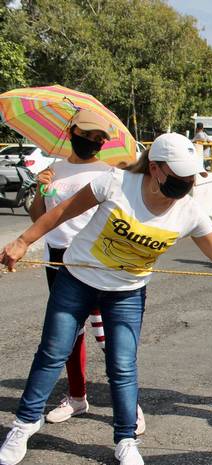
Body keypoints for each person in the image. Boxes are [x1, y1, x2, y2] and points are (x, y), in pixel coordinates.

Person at [0, 133, 212, 465]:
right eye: (180, 177)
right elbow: (61, 213)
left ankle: (125, 441)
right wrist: (21, 241)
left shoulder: (188, 211)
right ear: (154, 168)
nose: (187, 184)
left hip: (127, 293)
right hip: (77, 280)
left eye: (191, 178)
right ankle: (24, 424)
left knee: (122, 366)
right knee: (52, 353)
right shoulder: (115, 182)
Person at [27, 110, 146, 432]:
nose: (92, 142)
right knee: (68, 334)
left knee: (108, 336)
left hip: (93, 260)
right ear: (72, 131)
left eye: (99, 139)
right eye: (88, 135)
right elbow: (39, 216)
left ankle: (129, 404)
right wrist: (40, 189)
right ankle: (77, 396)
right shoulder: (53, 171)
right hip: (56, 258)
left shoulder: (107, 173)